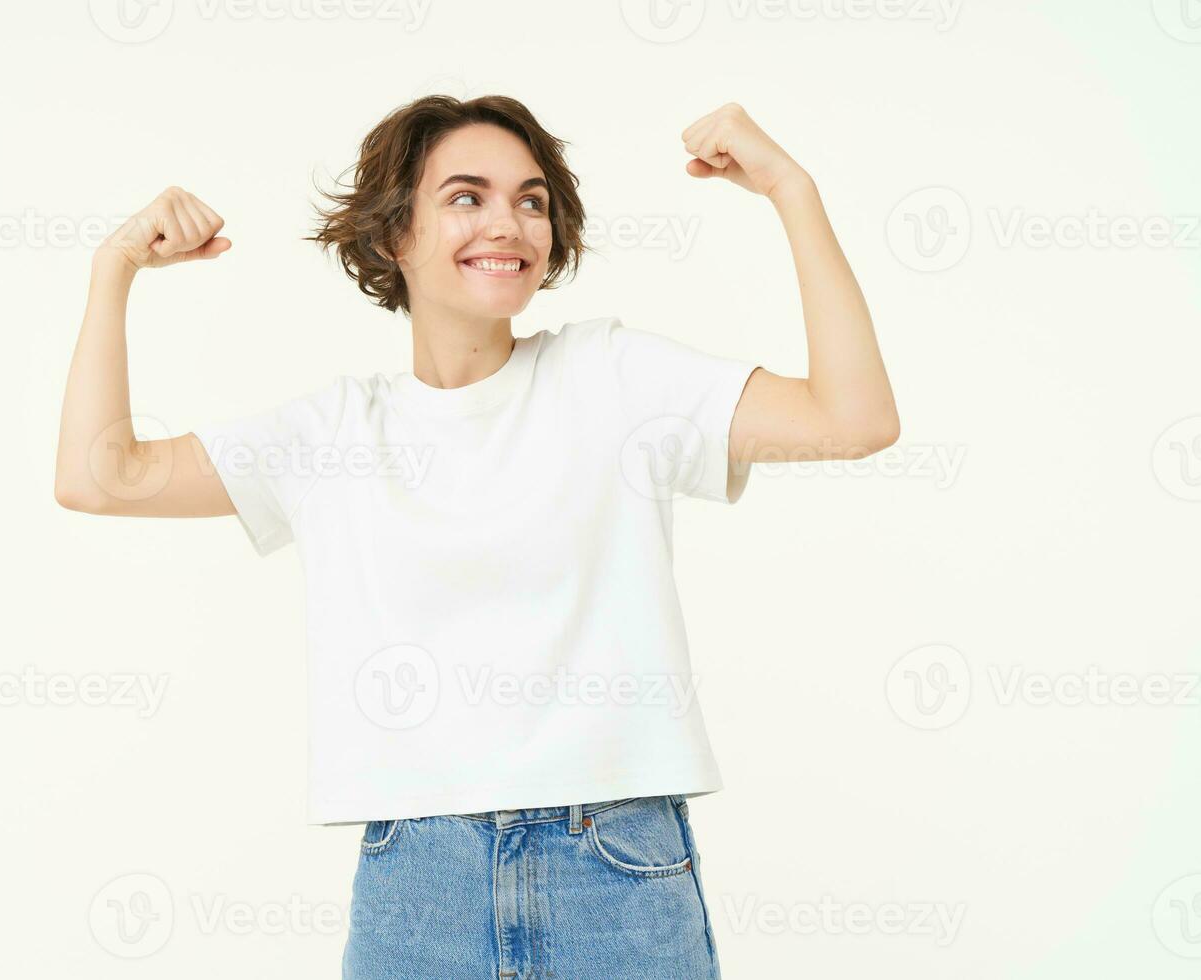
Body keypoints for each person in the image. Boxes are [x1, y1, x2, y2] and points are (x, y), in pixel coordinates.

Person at [53, 94, 899, 979]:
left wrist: (791, 189)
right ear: (393, 236)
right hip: (419, 889)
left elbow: (855, 417)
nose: (510, 221)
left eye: (531, 200)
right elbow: (97, 475)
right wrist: (114, 269)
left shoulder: (614, 376)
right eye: (467, 196)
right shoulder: (332, 434)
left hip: (615, 874)